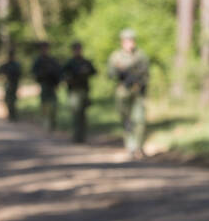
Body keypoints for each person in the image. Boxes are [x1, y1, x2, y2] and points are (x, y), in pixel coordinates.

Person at [107, 28, 149, 159]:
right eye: (126, 40)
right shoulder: (116, 56)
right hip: (123, 91)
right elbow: (110, 74)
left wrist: (141, 83)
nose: (129, 43)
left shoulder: (141, 55)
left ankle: (139, 147)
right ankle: (130, 147)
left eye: (131, 40)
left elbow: (146, 74)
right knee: (127, 121)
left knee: (140, 120)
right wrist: (120, 74)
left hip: (137, 91)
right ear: (122, 42)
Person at [62, 42, 97, 144]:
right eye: (76, 49)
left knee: (83, 114)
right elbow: (64, 75)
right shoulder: (70, 63)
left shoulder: (85, 62)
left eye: (79, 49)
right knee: (76, 114)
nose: (78, 51)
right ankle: (76, 136)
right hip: (74, 91)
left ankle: (82, 136)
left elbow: (94, 72)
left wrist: (86, 71)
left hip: (84, 90)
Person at [31, 42, 62, 132]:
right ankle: (45, 124)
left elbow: (59, 72)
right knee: (45, 106)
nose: (44, 50)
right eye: (43, 48)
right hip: (44, 86)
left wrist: (57, 82)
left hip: (52, 86)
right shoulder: (38, 61)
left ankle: (52, 124)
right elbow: (35, 73)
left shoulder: (52, 61)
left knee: (54, 107)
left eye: (46, 48)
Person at [0, 48, 22, 121]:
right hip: (8, 84)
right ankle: (11, 114)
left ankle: (13, 115)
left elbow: (19, 74)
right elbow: (0, 72)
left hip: (14, 84)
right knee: (8, 100)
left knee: (13, 100)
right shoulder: (6, 65)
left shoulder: (16, 65)